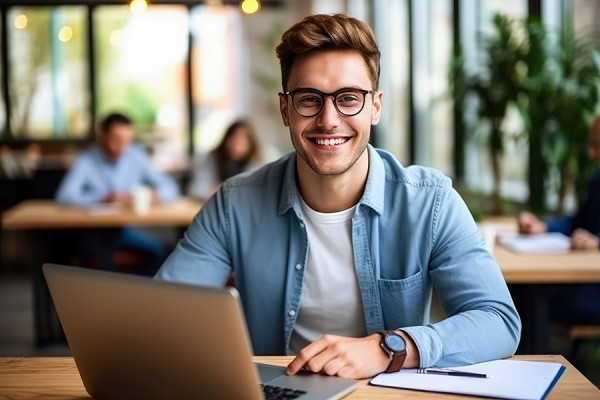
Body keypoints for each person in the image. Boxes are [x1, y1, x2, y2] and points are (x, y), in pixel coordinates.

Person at [156, 13, 520, 379]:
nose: (329, 119)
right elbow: (162, 314)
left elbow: (497, 321)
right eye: (309, 99)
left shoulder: (430, 203)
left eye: (348, 98)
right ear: (286, 110)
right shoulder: (235, 204)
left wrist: (387, 349)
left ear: (375, 107)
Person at [56, 112, 180, 274]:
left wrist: (155, 195)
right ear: (102, 135)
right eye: (116, 139)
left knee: (169, 252)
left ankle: (137, 292)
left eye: (127, 140)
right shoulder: (86, 159)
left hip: (125, 230)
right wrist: (103, 198)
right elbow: (65, 196)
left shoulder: (136, 155)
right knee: (99, 258)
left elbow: (171, 188)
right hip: (93, 233)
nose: (122, 146)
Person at [518, 116, 600, 324]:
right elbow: (577, 222)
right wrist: (543, 226)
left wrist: (596, 241)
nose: (591, 153)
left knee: (537, 300)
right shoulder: (597, 180)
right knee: (524, 292)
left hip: (593, 288)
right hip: (585, 280)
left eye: (597, 146)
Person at [188, 120, 262, 200]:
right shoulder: (213, 158)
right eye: (234, 138)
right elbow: (196, 189)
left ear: (250, 144)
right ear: (226, 139)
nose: (237, 143)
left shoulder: (254, 165)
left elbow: (252, 194)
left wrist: (222, 190)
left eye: (242, 140)